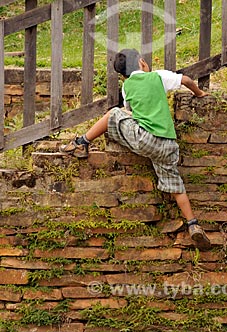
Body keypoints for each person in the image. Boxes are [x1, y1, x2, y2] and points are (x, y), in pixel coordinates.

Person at [59, 49, 211, 250]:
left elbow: (129, 111)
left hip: (145, 141)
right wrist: (199, 93)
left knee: (114, 113)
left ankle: (82, 142)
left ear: (123, 76)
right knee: (176, 185)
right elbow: (186, 80)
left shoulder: (127, 87)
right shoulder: (158, 76)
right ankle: (193, 224)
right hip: (168, 145)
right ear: (142, 62)